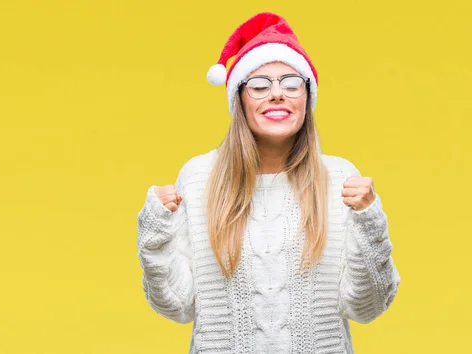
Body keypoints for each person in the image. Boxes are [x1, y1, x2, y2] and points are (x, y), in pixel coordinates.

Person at [136, 12, 400, 354]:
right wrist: (154, 234)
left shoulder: (339, 179)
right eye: (260, 85)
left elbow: (368, 307)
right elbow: (177, 305)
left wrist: (369, 219)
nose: (277, 94)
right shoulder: (200, 178)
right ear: (239, 99)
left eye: (291, 83)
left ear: (306, 97)